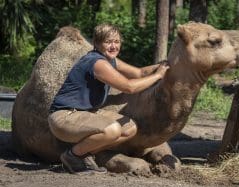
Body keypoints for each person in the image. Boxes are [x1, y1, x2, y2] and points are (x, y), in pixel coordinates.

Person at [48, 24, 169, 174]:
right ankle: (72, 156)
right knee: (113, 129)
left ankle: (85, 154)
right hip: (65, 117)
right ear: (97, 43)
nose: (113, 46)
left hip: (85, 113)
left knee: (129, 128)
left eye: (117, 42)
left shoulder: (110, 60)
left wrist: (167, 66)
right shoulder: (97, 63)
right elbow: (129, 87)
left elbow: (138, 73)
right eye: (108, 42)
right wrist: (158, 75)